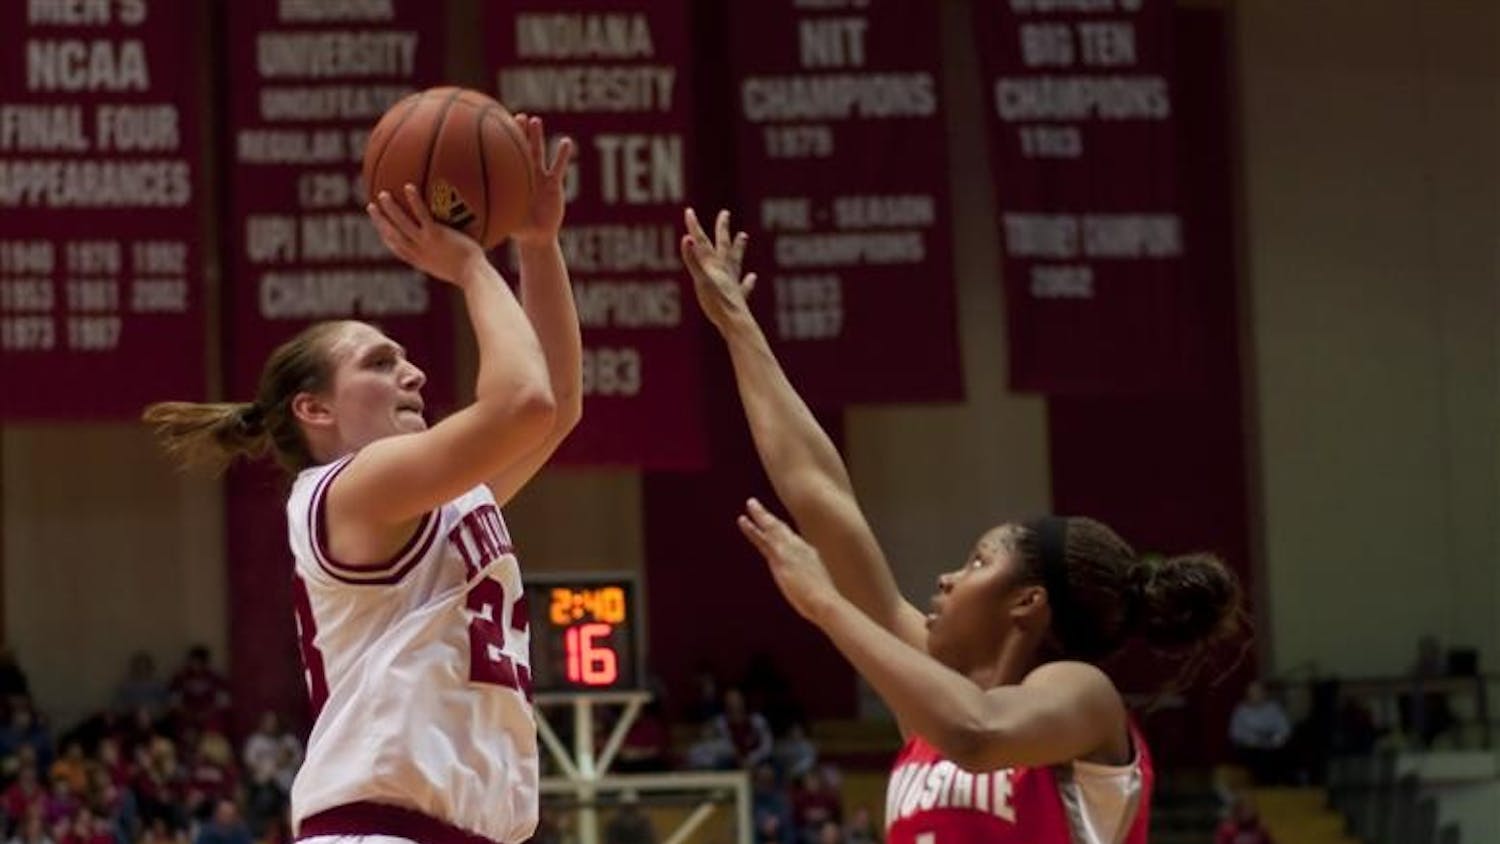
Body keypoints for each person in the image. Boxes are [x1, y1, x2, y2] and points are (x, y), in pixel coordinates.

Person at [680, 208, 1244, 844]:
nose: (946, 579)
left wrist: (828, 607)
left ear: (1028, 602)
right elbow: (821, 496)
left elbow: (976, 734)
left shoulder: (1084, 698)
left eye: (978, 563)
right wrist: (736, 324)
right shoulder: (932, 698)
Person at [143, 115, 580, 844]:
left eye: (402, 357)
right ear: (313, 408)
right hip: (379, 830)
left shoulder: (437, 499)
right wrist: (471, 265)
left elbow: (556, 408)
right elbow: (522, 402)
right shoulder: (348, 491)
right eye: (379, 363)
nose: (411, 372)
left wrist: (538, 247)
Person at [1227, 681, 1293, 784]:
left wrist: (1276, 739)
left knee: (1285, 754)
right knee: (1257, 758)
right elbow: (1235, 733)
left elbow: (1284, 729)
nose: (1256, 695)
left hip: (1272, 746)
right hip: (1250, 748)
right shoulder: (1241, 710)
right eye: (1252, 693)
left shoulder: (1274, 708)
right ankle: (1260, 787)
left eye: (1259, 692)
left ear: (1264, 693)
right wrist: (1253, 740)